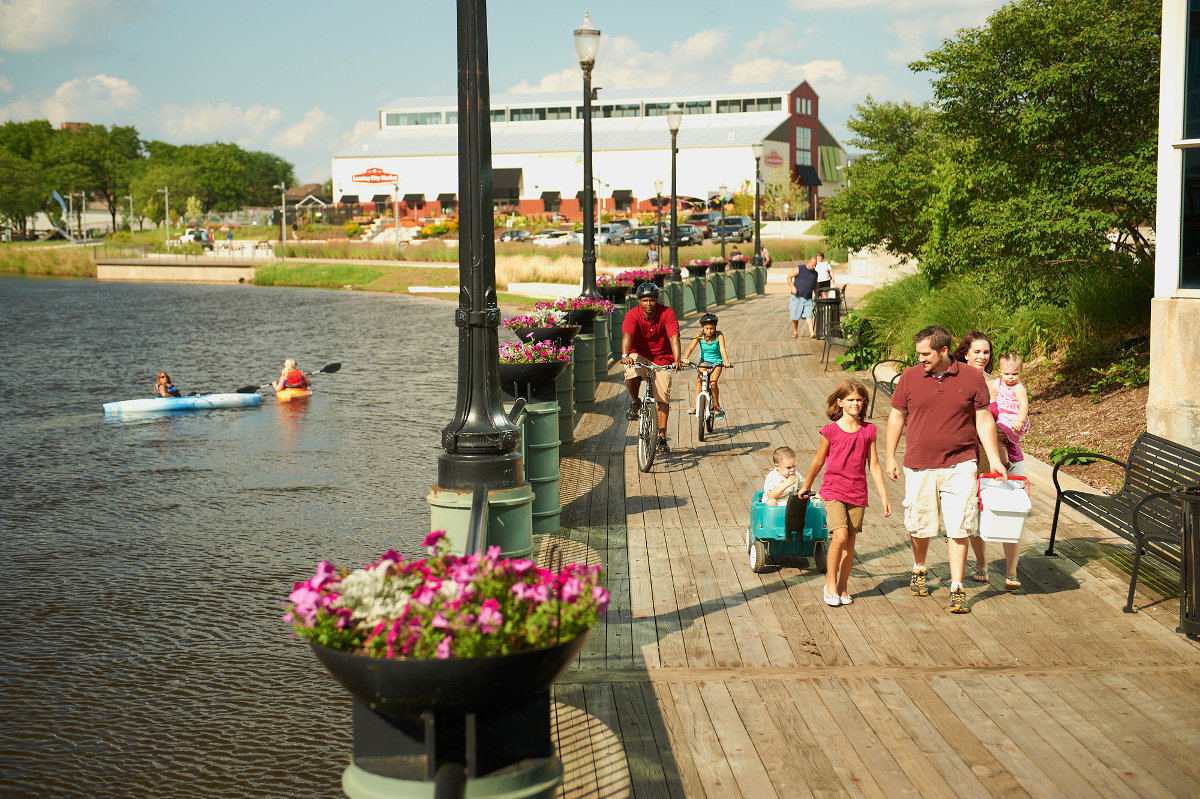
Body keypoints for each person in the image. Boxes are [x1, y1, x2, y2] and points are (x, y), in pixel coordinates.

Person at [885, 326, 1008, 614]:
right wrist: (889, 455)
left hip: (961, 463)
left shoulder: (972, 377)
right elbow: (896, 416)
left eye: (925, 354)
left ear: (943, 351)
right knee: (920, 524)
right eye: (918, 354)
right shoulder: (910, 377)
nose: (920, 359)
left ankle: (957, 588)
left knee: (960, 525)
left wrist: (995, 459)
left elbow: (984, 420)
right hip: (919, 464)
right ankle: (919, 568)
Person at [799, 380, 892, 606]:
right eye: (850, 400)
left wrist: (883, 496)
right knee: (839, 536)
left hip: (857, 492)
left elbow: (875, 465)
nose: (855, 404)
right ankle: (830, 583)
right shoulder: (829, 431)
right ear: (840, 402)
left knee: (850, 542)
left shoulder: (869, 431)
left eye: (860, 400)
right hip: (833, 491)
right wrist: (807, 485)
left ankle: (842, 587)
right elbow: (818, 460)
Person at [621, 282, 682, 453]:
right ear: (640, 301)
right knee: (631, 370)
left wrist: (677, 360)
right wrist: (625, 355)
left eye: (652, 300)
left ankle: (661, 438)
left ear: (657, 300)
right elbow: (628, 335)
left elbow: (674, 337)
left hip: (663, 358)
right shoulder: (632, 315)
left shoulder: (667, 313)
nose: (649, 303)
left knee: (662, 397)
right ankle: (635, 401)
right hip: (639, 354)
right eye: (645, 300)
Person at [682, 312, 733, 420]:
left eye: (712, 328)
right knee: (700, 379)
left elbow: (722, 350)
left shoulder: (719, 335)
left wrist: (726, 361)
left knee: (713, 382)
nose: (709, 331)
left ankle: (717, 406)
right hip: (704, 361)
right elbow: (691, 348)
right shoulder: (699, 335)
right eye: (706, 328)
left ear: (715, 327)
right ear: (702, 328)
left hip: (716, 362)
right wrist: (685, 358)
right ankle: (696, 405)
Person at [995, 352, 1031, 475]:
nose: (1010, 377)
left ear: (1020, 372)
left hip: (1012, 419)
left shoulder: (1018, 388)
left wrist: (1020, 420)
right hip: (1002, 417)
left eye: (1014, 374)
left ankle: (1006, 463)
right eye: (1007, 374)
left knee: (997, 438)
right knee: (996, 438)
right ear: (1000, 371)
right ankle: (1004, 461)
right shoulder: (999, 383)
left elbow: (1023, 404)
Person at [786, 257, 819, 338]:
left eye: (816, 265)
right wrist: (792, 287)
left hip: (808, 298)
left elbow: (815, 284)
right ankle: (795, 332)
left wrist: (817, 294)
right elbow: (789, 277)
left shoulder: (815, 274)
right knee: (794, 315)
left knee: (809, 314)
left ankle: (812, 332)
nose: (815, 267)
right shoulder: (799, 268)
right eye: (814, 265)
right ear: (809, 263)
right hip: (797, 296)